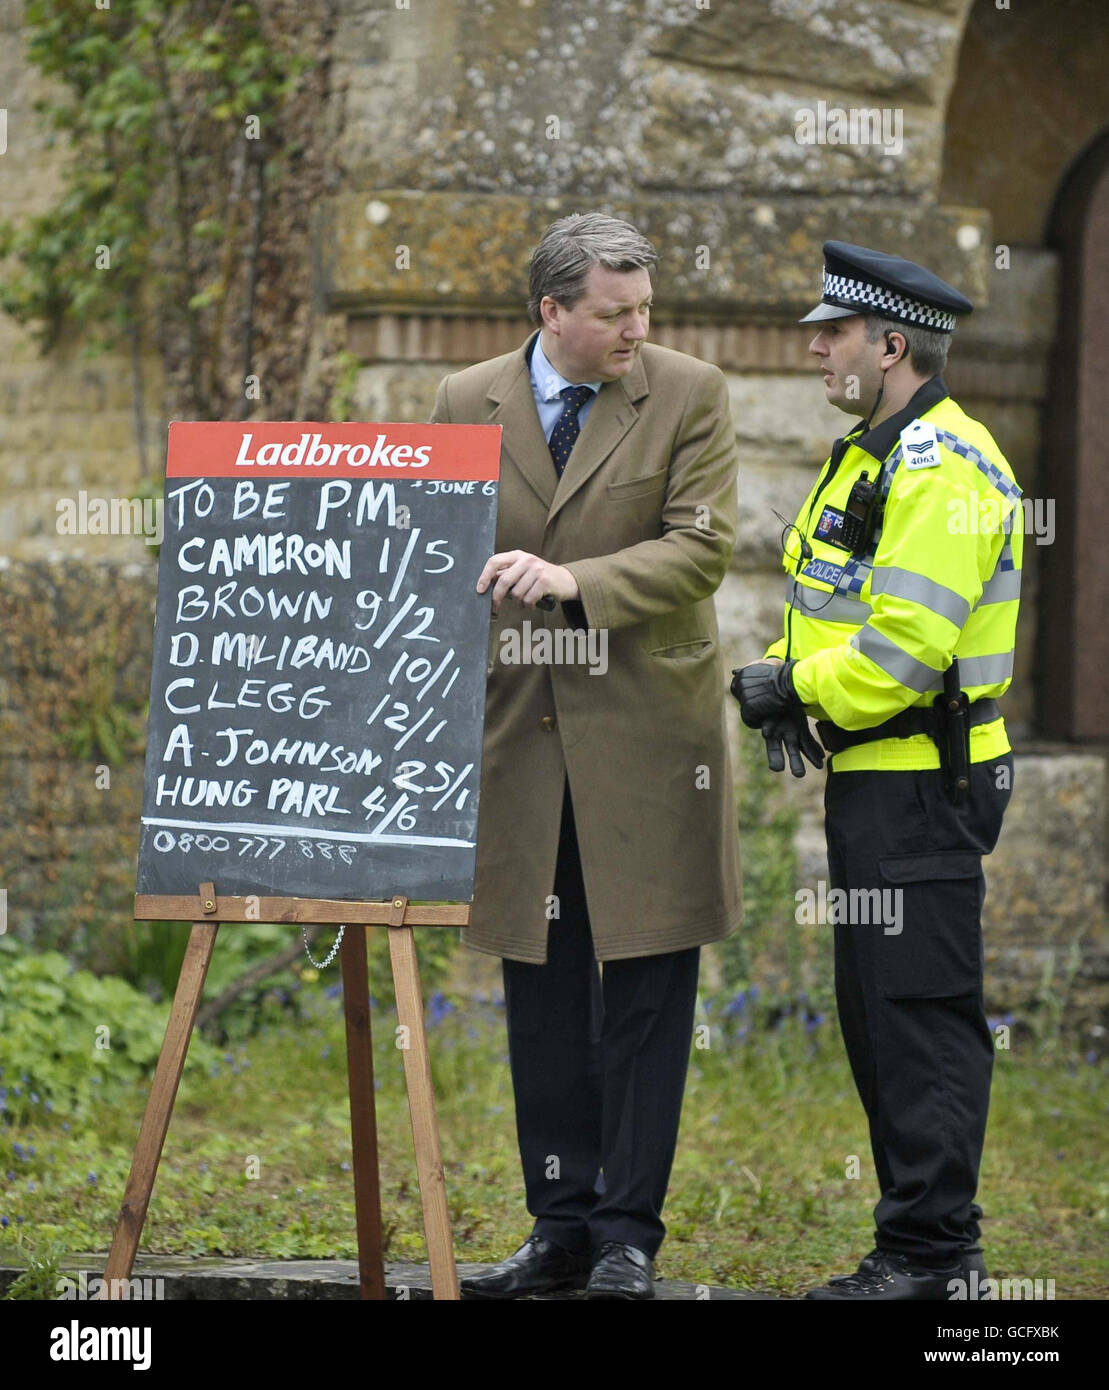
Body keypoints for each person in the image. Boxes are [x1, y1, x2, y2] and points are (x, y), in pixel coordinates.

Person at [430, 212, 742, 1300]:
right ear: (549, 310)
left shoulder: (687, 390)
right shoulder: (462, 400)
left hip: (650, 742)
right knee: (544, 987)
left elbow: (702, 547)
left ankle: (627, 1237)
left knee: (649, 982)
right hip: (521, 741)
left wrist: (576, 585)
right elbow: (440, 557)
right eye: (613, 313)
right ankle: (558, 1224)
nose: (635, 329)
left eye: (643, 308)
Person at [733, 241, 1022, 1301]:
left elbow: (904, 652)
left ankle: (935, 1263)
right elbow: (834, 610)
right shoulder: (867, 453)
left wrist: (793, 691)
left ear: (888, 343)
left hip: (920, 781)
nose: (814, 347)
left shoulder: (940, 469)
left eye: (833, 332)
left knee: (918, 1014)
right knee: (876, 1013)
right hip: (876, 777)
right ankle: (916, 1246)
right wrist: (780, 670)